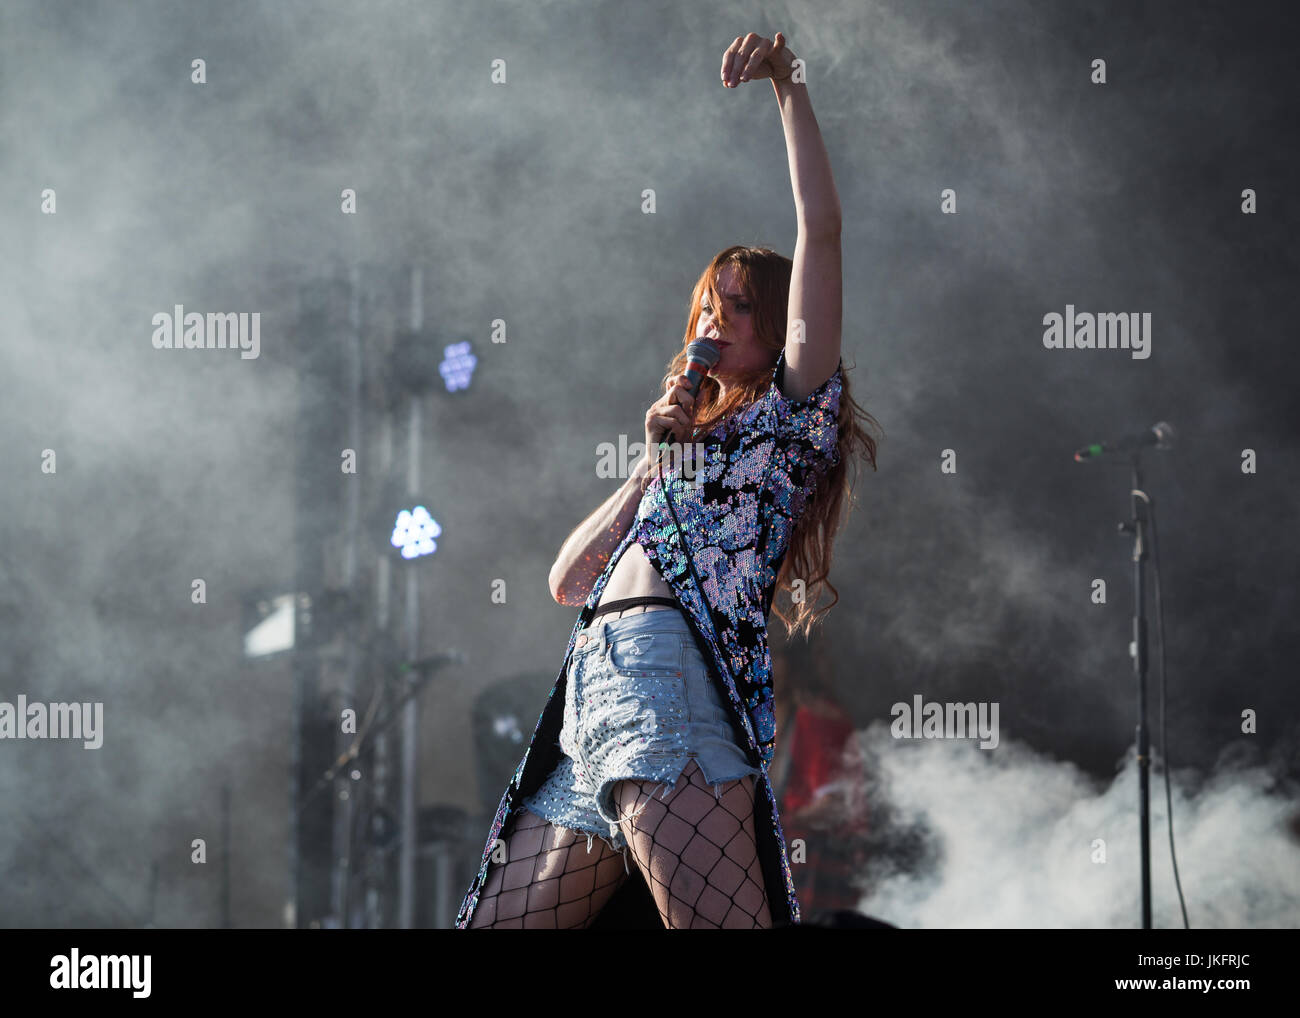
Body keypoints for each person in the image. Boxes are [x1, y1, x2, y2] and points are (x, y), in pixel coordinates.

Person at [456, 30, 881, 929]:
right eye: (704, 304)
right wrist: (654, 459)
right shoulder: (677, 446)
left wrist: (789, 85)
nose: (713, 319)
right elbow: (568, 579)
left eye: (736, 306)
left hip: (669, 681)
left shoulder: (786, 418)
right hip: (590, 699)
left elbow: (824, 230)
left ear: (774, 329)